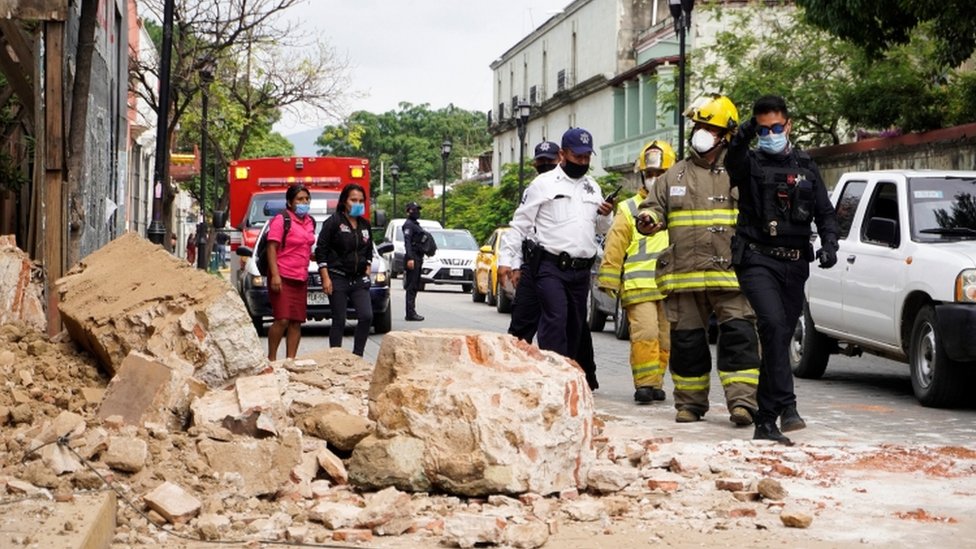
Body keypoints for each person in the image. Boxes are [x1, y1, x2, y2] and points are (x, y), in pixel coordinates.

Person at [635, 94, 760, 426]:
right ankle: (689, 405)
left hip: (731, 277)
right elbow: (651, 208)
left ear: (726, 135)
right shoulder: (672, 176)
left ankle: (743, 404)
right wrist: (647, 219)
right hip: (685, 277)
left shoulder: (742, 173)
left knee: (739, 339)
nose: (699, 132)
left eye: (707, 127)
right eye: (697, 126)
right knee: (687, 344)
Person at [725, 95, 840, 445]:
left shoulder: (806, 164)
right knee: (773, 326)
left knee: (781, 335)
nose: (771, 134)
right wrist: (745, 131)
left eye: (777, 128)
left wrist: (831, 244)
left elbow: (825, 210)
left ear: (788, 126)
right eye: (764, 129)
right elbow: (732, 160)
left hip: (795, 262)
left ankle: (784, 407)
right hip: (757, 259)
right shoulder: (750, 162)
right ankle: (767, 419)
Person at [499, 127, 613, 364]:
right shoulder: (543, 184)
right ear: (562, 154)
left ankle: (568, 372)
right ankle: (554, 372)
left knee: (575, 325)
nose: (582, 162)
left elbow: (601, 229)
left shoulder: (592, 186)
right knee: (555, 318)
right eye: (577, 156)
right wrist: (506, 261)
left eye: (586, 157)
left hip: (581, 270)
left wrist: (606, 215)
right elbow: (520, 225)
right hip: (551, 266)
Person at [597, 140, 674, 404]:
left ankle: (656, 382)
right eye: (650, 174)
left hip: (669, 286)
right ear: (642, 175)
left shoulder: (678, 206)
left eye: (660, 173)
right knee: (646, 335)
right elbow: (615, 244)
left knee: (665, 339)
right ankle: (644, 384)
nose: (654, 179)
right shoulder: (629, 208)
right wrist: (608, 278)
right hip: (639, 285)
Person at [315, 184, 374, 356]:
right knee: (339, 319)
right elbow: (321, 251)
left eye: (361, 201)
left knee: (366, 316)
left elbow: (368, 249)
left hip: (358, 279)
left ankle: (357, 356)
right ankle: (335, 357)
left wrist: (367, 269)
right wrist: (325, 277)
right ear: (344, 201)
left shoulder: (365, 224)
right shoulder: (334, 222)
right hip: (337, 277)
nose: (357, 203)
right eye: (353, 200)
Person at [265, 184, 317, 361]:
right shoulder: (282, 219)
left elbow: (304, 246)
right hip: (282, 275)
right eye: (300, 199)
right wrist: (275, 275)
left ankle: (291, 360)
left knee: (296, 321)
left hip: (300, 277)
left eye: (306, 199)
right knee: (282, 319)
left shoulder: (310, 222)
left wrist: (313, 256)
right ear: (289, 202)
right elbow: (272, 247)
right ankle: (271, 359)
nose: (304, 203)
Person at [402, 201, 427, 321]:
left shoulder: (415, 224)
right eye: (414, 209)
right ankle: (410, 312)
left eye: (417, 209)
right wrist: (410, 258)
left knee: (416, 285)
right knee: (411, 286)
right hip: (412, 258)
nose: (417, 212)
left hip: (418, 257)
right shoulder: (408, 225)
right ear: (408, 211)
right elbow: (407, 243)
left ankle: (412, 311)